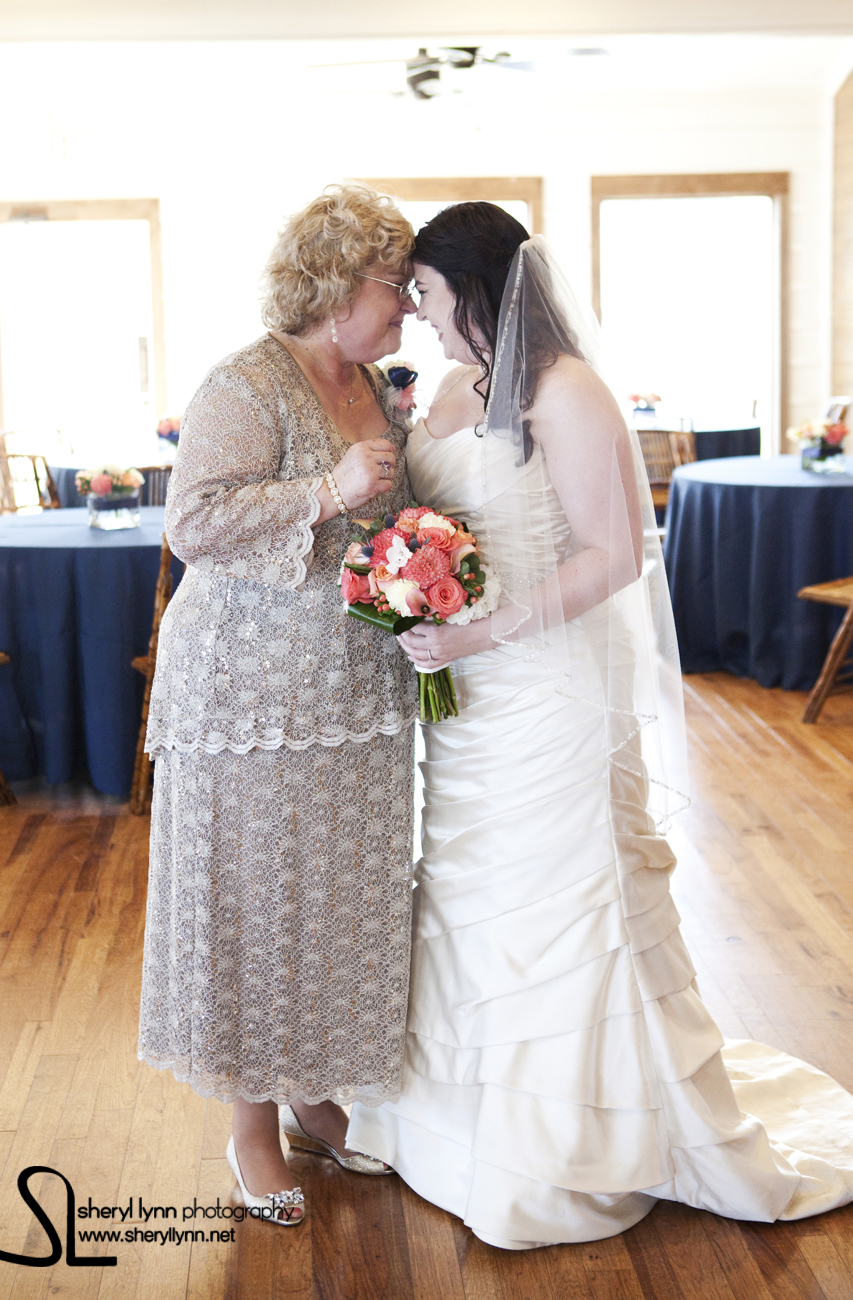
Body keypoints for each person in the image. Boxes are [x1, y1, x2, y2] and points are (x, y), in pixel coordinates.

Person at [346, 201, 853, 1249]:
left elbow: (616, 555)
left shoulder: (566, 391)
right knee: (468, 888)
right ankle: (467, 1110)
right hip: (468, 701)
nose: (420, 314)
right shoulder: (446, 391)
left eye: (429, 295)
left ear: (475, 288)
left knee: (559, 890)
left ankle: (579, 1137)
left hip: (548, 689)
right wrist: (411, 586)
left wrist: (477, 630)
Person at [139, 184, 421, 1224]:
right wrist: (327, 490)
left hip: (355, 690)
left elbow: (385, 515)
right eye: (396, 285)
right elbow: (193, 524)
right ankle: (250, 1128)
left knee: (338, 903)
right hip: (247, 699)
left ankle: (314, 1097)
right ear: (338, 286)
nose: (409, 306)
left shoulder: (376, 385)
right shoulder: (244, 382)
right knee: (255, 906)